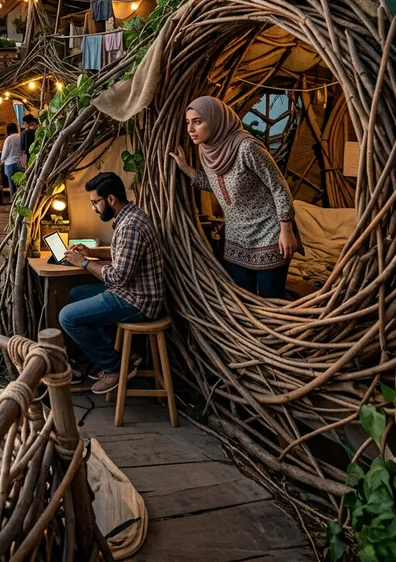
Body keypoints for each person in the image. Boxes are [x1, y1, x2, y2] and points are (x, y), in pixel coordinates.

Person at [170, 95, 298, 297]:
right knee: (243, 301)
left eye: (197, 122)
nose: (190, 129)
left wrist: (286, 230)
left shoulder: (247, 148)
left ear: (215, 120)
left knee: (271, 300)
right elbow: (217, 186)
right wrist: (185, 168)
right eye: (188, 123)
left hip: (269, 235)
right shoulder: (207, 150)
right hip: (237, 239)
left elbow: (279, 186)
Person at [59, 172, 164, 395]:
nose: (94, 209)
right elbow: (122, 256)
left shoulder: (130, 227)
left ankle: (115, 367)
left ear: (111, 199)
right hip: (130, 292)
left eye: (95, 202)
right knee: (77, 294)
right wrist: (91, 252)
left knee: (67, 317)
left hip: (138, 302)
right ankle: (126, 356)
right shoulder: (128, 217)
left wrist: (84, 262)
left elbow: (118, 277)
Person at [0, 123, 22, 200]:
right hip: (20, 163)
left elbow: (5, 152)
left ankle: (13, 199)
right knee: (20, 183)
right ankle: (21, 199)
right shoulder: (20, 136)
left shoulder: (9, 139)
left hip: (10, 163)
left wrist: (2, 160)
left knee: (11, 184)